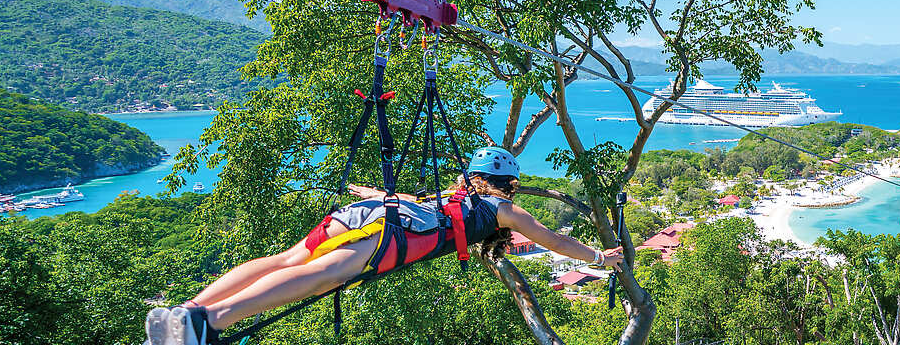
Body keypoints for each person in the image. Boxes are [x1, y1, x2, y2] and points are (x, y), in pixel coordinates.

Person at [142, 147, 625, 345]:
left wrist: (374, 196)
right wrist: (599, 258)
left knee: (286, 259)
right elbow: (554, 238)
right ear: (507, 184)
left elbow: (415, 204)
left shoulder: (452, 194)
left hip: (369, 215)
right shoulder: (499, 208)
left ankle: (190, 309)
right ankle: (209, 321)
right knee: (319, 278)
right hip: (388, 235)